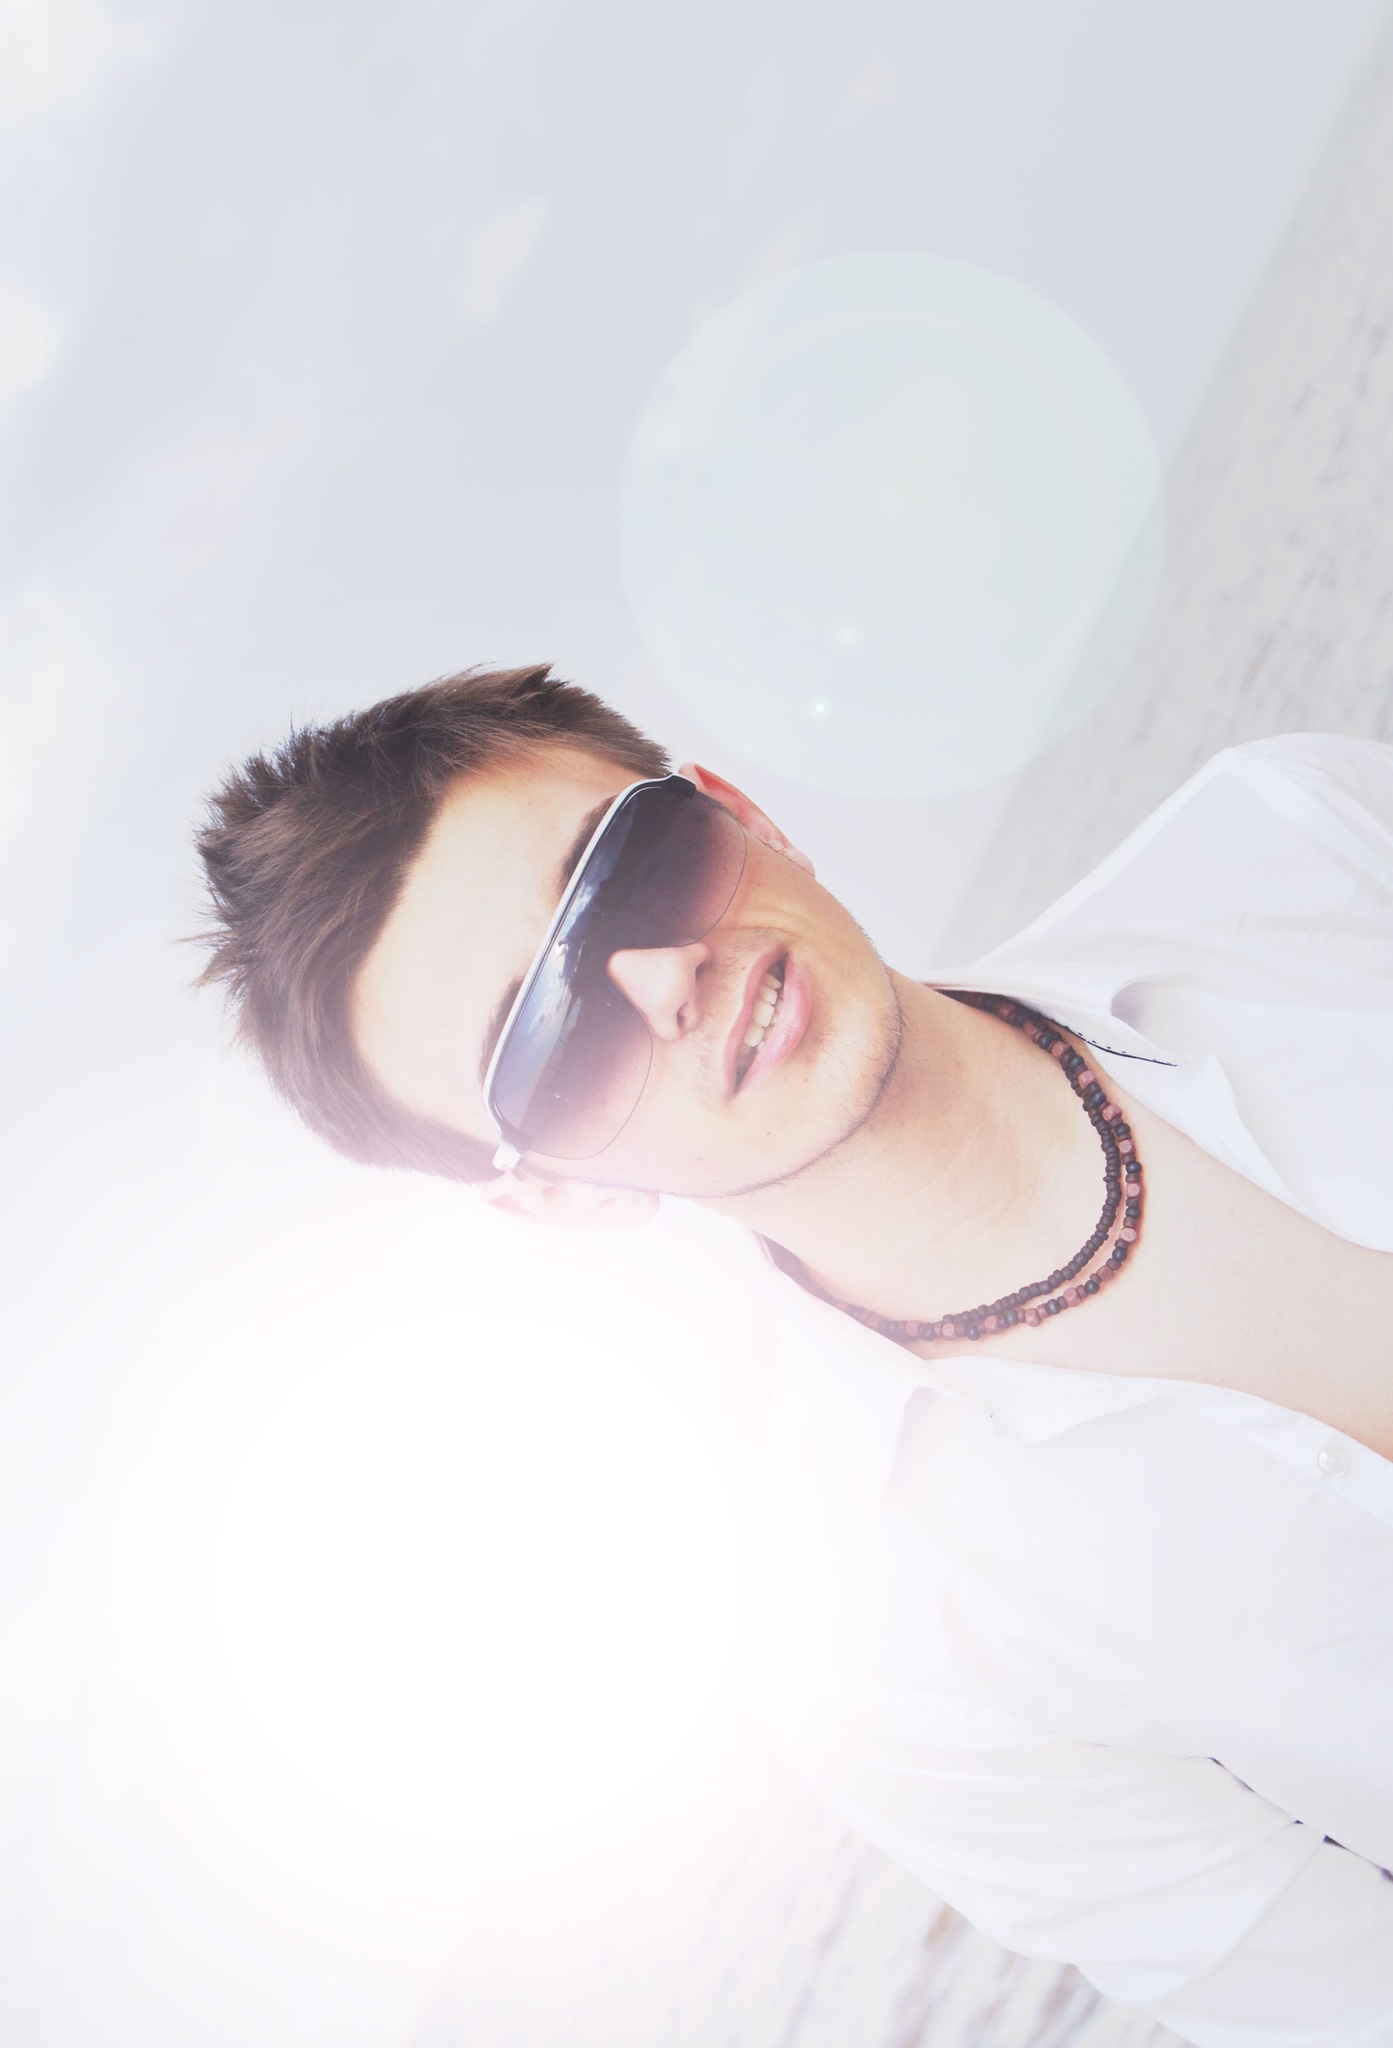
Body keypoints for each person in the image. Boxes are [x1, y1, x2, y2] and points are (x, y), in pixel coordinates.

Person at [196, 663, 1393, 2047]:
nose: (664, 979)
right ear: (561, 1195)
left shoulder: (1302, 844)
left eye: (633, 867)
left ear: (739, 812)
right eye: (553, 1041)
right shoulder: (872, 1664)